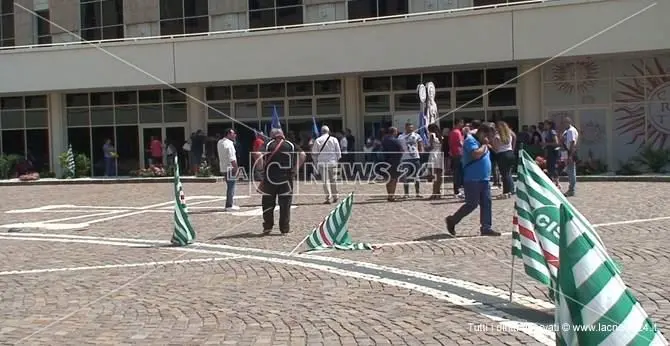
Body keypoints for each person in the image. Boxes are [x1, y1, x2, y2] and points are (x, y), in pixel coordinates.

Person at [445, 122, 501, 237]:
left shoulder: (482, 142)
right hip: (472, 178)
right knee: (472, 204)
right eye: (489, 136)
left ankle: (486, 227)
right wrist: (485, 145)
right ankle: (453, 220)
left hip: (484, 178)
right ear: (482, 133)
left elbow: (497, 150)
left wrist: (494, 141)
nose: (490, 139)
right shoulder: (470, 140)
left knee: (487, 203)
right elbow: (475, 154)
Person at [259, 129, 305, 235]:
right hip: (286, 178)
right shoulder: (291, 145)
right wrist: (296, 169)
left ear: (273, 135)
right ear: (282, 135)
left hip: (270, 179)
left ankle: (267, 227)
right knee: (285, 204)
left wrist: (261, 169)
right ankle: (284, 228)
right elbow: (303, 155)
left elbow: (257, 154)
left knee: (268, 204)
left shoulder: (268, 145)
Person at [312, 125, 341, 204]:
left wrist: (316, 163)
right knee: (334, 180)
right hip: (332, 162)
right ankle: (335, 195)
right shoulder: (334, 139)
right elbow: (338, 152)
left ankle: (328, 197)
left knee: (325, 181)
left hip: (322, 162)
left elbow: (314, 153)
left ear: (321, 132)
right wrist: (337, 160)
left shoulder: (318, 140)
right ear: (329, 131)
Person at [398, 122, 423, 198]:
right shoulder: (401, 136)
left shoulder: (416, 135)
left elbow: (420, 144)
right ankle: (406, 193)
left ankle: (417, 193)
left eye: (412, 127)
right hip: (405, 158)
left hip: (415, 158)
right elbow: (398, 146)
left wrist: (421, 151)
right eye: (409, 127)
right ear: (405, 128)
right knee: (405, 176)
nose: (411, 129)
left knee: (417, 176)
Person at [217, 129, 240, 211]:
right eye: (233, 133)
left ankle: (229, 204)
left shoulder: (220, 142)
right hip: (230, 167)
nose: (235, 135)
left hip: (223, 167)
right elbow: (232, 158)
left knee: (230, 186)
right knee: (231, 186)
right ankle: (229, 205)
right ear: (228, 134)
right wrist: (236, 168)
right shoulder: (229, 144)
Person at [493, 121, 516, 197]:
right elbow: (515, 137)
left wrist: (490, 146)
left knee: (504, 174)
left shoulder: (497, 136)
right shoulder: (510, 134)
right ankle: (511, 189)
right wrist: (512, 149)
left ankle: (506, 191)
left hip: (502, 154)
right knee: (509, 173)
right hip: (510, 153)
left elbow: (496, 149)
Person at [381, 127, 404, 202]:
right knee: (394, 179)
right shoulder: (395, 140)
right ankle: (392, 195)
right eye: (396, 132)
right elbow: (401, 150)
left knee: (388, 178)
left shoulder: (384, 140)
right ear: (394, 132)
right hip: (395, 161)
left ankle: (389, 195)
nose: (397, 133)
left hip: (386, 161)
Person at [561, 117, 579, 197]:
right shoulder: (566, 131)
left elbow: (572, 142)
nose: (564, 124)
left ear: (569, 122)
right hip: (566, 151)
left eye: (565, 122)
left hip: (570, 152)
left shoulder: (571, 131)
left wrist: (570, 155)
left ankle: (572, 189)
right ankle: (571, 188)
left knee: (571, 171)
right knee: (569, 170)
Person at [426, 123, 444, 200]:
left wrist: (425, 148)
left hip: (433, 154)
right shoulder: (440, 135)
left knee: (434, 176)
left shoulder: (431, 135)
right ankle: (438, 192)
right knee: (439, 175)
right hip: (439, 154)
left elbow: (430, 146)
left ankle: (434, 193)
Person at [542, 120, 561, 189]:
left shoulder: (552, 132)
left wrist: (546, 144)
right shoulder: (546, 132)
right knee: (549, 167)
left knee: (553, 167)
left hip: (553, 152)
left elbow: (556, 142)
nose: (544, 126)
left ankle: (557, 183)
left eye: (546, 124)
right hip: (549, 152)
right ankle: (552, 182)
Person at [449, 119, 465, 198]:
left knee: (457, 173)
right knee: (459, 173)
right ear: (458, 123)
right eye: (462, 123)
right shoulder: (457, 132)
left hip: (455, 154)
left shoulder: (452, 132)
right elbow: (461, 143)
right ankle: (458, 190)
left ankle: (457, 190)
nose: (463, 124)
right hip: (458, 154)